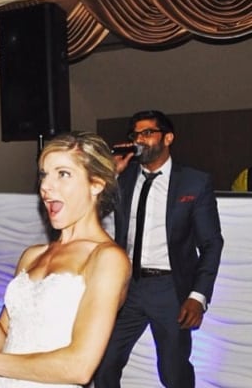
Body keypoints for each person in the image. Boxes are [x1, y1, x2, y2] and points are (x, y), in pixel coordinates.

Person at [0, 132, 131, 387]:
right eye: (44, 174)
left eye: (63, 174)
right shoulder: (33, 255)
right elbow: (4, 343)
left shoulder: (107, 258)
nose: (46, 186)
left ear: (96, 184)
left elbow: (79, 367)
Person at [94, 110, 224, 388]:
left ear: (168, 138)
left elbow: (212, 244)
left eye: (147, 133)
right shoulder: (122, 179)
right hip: (127, 286)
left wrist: (197, 296)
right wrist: (110, 175)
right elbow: (91, 213)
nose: (140, 140)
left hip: (169, 288)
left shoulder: (193, 182)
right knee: (104, 363)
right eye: (135, 134)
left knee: (173, 371)